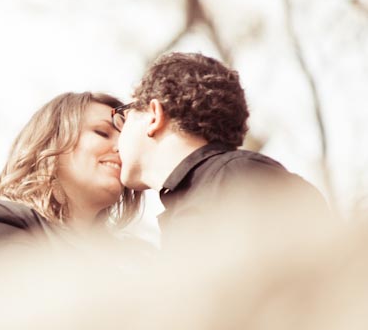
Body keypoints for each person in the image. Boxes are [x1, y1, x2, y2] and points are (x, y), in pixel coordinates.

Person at [0, 92, 143, 329]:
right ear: (50, 143)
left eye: (125, 140)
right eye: (102, 133)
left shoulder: (136, 256)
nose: (120, 148)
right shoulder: (0, 223)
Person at [112, 52, 326, 246]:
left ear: (154, 116)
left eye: (125, 117)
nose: (118, 138)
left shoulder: (242, 180)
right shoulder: (212, 189)